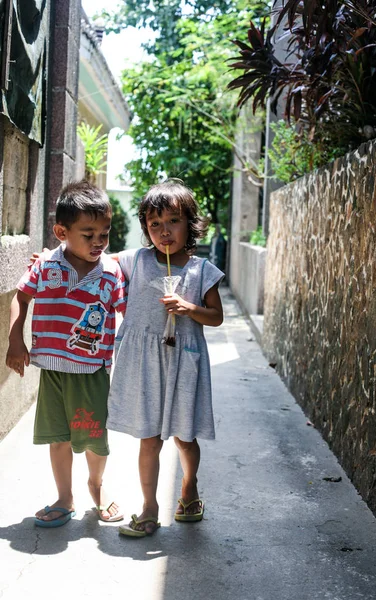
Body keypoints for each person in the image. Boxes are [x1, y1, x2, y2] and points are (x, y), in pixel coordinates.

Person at [106, 178, 224, 537]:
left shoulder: (201, 270)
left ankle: (189, 488)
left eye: (172, 220)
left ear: (190, 222)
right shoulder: (135, 261)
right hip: (144, 366)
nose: (164, 231)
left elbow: (216, 317)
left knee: (185, 438)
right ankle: (150, 507)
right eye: (154, 224)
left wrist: (190, 308)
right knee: (149, 438)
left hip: (183, 364)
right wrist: (51, 256)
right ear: (146, 229)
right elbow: (92, 258)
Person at [5, 181, 127, 527]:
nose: (98, 242)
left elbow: (126, 313)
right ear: (61, 232)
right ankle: (64, 496)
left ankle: (97, 485)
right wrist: (16, 340)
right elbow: (21, 297)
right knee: (57, 437)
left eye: (104, 233)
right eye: (88, 235)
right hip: (52, 370)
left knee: (94, 439)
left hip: (92, 371)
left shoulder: (111, 273)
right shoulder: (46, 266)